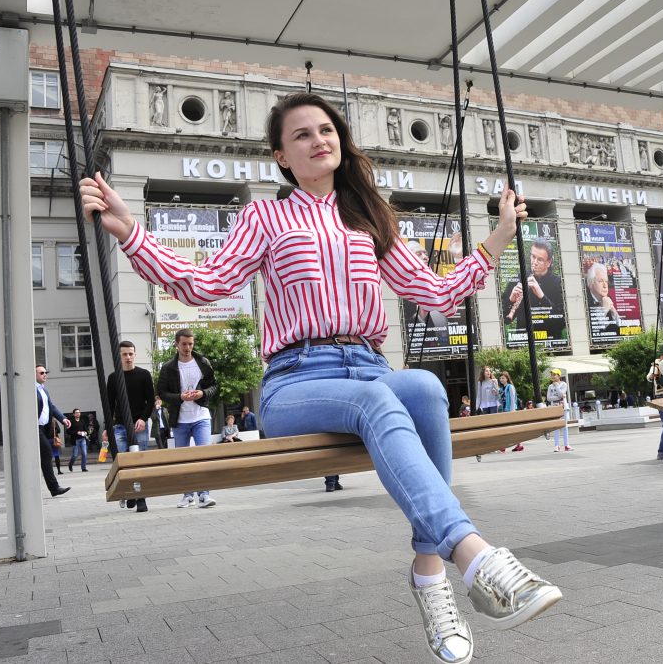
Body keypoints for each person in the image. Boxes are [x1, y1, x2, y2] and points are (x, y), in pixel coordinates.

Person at [79, 91, 561, 663]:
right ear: (282, 156)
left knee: (427, 389)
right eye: (302, 135)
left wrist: (501, 234)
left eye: (326, 130)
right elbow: (202, 285)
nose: (318, 140)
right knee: (377, 403)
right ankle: (477, 559)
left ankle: (429, 572)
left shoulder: (368, 221)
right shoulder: (266, 216)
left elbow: (435, 293)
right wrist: (131, 230)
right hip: (295, 379)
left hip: (369, 364)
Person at [156, 329, 219, 509]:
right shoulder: (168, 367)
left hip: (201, 417)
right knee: (183, 459)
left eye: (190, 343)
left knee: (203, 456)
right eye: (184, 344)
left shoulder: (203, 363)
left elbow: (214, 386)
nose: (187, 347)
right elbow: (162, 392)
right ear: (176, 344)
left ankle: (204, 495)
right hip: (180, 420)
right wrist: (179, 397)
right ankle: (187, 495)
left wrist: (202, 393)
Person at [107, 340, 156, 513]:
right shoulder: (114, 378)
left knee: (139, 462)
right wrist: (108, 427)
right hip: (120, 425)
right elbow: (109, 405)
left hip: (139, 425)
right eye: (124, 354)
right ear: (119, 357)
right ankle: (130, 493)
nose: (128, 357)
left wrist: (143, 419)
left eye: (130, 353)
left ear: (135, 354)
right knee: (123, 462)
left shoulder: (144, 375)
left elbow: (151, 400)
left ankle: (141, 498)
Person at [501, 239, 565, 340]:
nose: (534, 262)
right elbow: (504, 319)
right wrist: (511, 300)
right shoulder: (519, 278)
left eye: (539, 259)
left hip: (551, 342)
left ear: (549, 262)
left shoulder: (558, 283)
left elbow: (562, 323)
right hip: (523, 344)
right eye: (533, 257)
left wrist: (542, 296)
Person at [35, 366, 70, 497]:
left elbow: (51, 407)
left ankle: (53, 488)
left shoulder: (43, 390)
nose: (45, 375)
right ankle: (54, 488)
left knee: (44, 456)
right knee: (47, 453)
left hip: (44, 429)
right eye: (41, 373)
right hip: (34, 428)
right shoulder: (30, 389)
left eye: (46, 373)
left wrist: (63, 419)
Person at [585, 262, 620, 336]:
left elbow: (620, 326)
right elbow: (592, 330)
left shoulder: (607, 298)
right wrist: (604, 310)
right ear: (591, 284)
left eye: (606, 281)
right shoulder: (585, 301)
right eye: (600, 281)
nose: (605, 286)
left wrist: (614, 311)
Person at [547, 369, 572, 452]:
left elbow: (563, 394)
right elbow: (548, 398)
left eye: (554, 374)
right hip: (554, 407)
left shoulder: (564, 384)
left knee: (564, 426)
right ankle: (556, 445)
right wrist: (559, 397)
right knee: (556, 427)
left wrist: (557, 386)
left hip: (563, 406)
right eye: (552, 375)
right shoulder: (550, 386)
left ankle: (566, 445)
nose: (553, 376)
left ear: (559, 375)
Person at [499, 371, 523, 452]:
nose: (501, 379)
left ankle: (518, 445)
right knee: (506, 428)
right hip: (505, 410)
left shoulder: (510, 387)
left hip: (511, 410)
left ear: (507, 379)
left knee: (512, 428)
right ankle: (516, 445)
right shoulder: (502, 389)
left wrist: (512, 411)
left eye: (503, 378)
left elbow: (513, 399)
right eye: (501, 378)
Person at [66, 408, 90, 472]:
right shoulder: (71, 422)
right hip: (75, 440)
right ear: (74, 414)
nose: (78, 413)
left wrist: (85, 432)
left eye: (79, 412)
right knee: (75, 455)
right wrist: (76, 432)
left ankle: (83, 468)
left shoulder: (82, 421)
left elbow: (86, 429)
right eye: (76, 412)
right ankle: (70, 464)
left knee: (84, 454)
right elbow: (68, 432)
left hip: (82, 439)